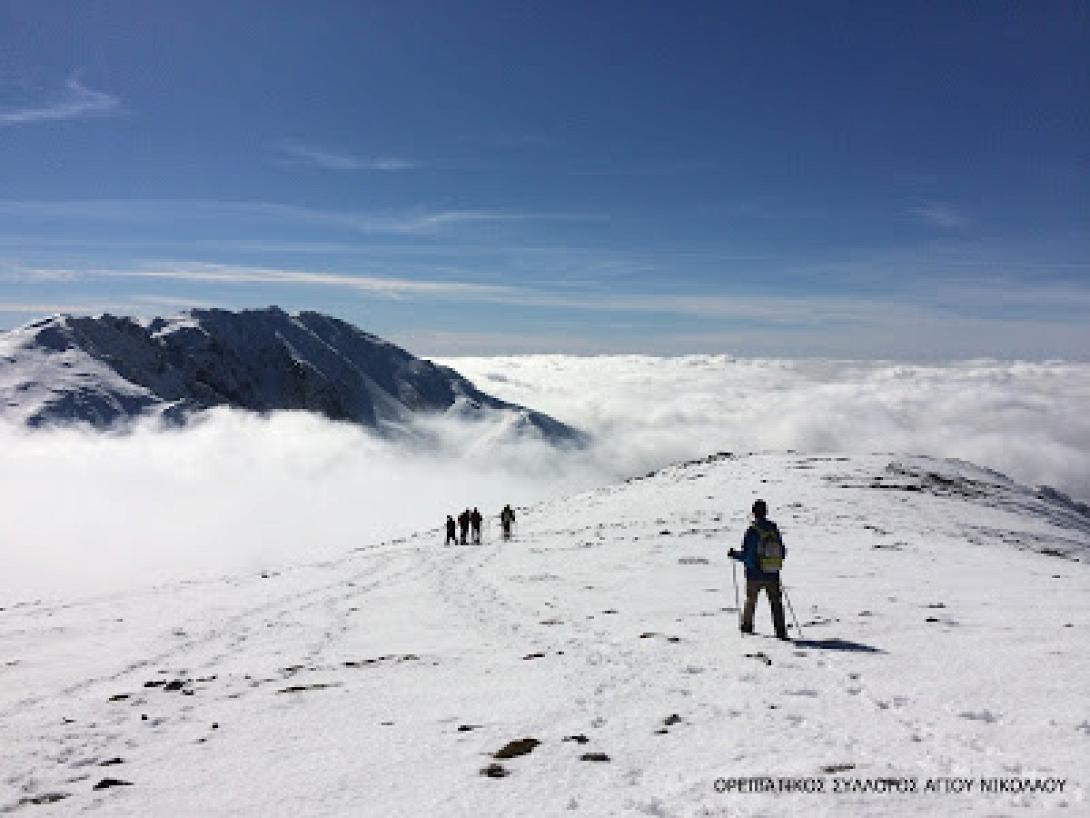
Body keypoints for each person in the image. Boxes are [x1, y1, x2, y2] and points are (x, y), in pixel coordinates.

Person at [729, 499, 789, 640]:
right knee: (776, 603)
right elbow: (782, 551)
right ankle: (781, 631)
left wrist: (734, 555)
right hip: (772, 573)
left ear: (754, 512)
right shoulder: (773, 529)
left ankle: (747, 628)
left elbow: (747, 555)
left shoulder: (752, 531)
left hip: (754, 574)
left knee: (750, 601)